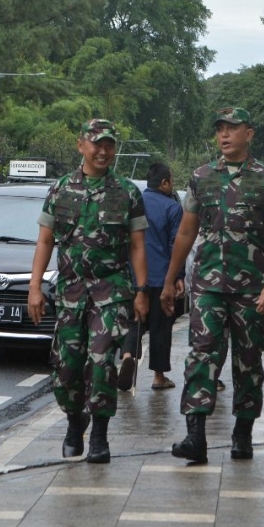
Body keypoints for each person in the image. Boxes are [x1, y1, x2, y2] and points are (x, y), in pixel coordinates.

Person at [160, 106, 264, 464]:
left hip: (254, 287)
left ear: (249, 133)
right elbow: (186, 232)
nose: (224, 135)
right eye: (220, 129)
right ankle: (196, 436)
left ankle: (243, 434)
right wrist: (171, 277)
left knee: (249, 361)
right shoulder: (201, 176)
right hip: (208, 284)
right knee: (201, 356)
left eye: (232, 128)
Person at [27, 119, 149, 464]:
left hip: (112, 290)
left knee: (101, 363)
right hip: (70, 292)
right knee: (66, 370)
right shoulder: (61, 190)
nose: (103, 151)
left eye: (109, 145)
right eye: (96, 144)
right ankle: (73, 419)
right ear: (81, 145)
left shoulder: (126, 192)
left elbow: (138, 246)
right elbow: (45, 241)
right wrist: (35, 287)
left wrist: (142, 291)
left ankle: (99, 436)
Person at [118, 162, 184, 391]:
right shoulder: (173, 208)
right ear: (164, 183)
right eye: (171, 181)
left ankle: (128, 356)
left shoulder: (134, 202)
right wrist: (178, 276)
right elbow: (176, 244)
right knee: (160, 327)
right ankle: (158, 377)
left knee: (134, 321)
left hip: (134, 276)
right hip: (161, 277)